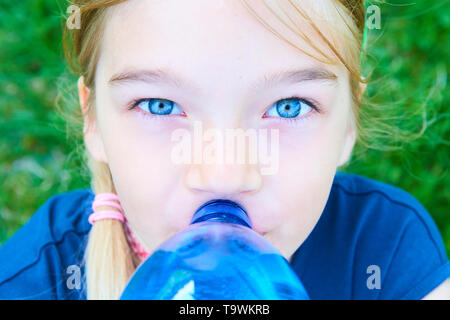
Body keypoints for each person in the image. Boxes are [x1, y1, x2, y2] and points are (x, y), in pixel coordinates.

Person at [0, 0, 448, 300]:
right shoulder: (37, 282)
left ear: (349, 122)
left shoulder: (386, 251)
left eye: (288, 107)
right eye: (160, 105)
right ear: (92, 119)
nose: (225, 175)